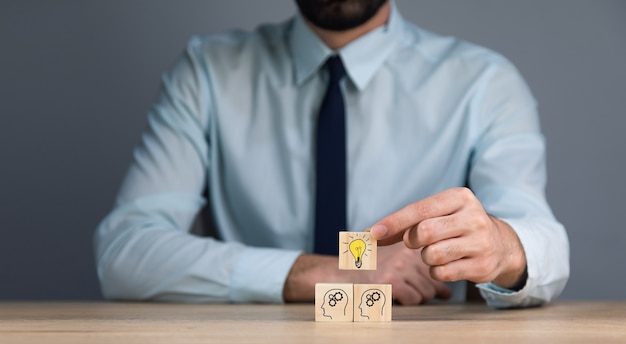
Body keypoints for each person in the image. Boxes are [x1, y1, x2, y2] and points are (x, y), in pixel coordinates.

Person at [94, 0, 569, 308]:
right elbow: (125, 253)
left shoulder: (483, 83)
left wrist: (502, 247)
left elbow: (544, 242)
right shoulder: (207, 73)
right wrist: (333, 274)